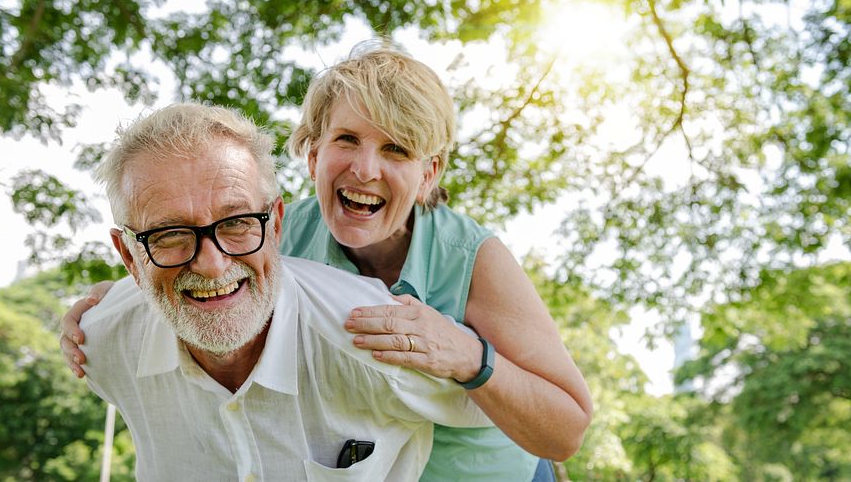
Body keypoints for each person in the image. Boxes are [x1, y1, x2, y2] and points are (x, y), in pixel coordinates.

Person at [62, 43, 593, 481]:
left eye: (397, 149)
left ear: (428, 173)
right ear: (313, 154)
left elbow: (566, 430)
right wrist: (120, 295)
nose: (365, 169)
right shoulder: (276, 234)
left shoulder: (472, 258)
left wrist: (467, 355)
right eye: (347, 139)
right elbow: (207, 258)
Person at [80, 102, 492, 481]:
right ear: (130, 257)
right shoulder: (98, 343)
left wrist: (476, 363)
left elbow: (494, 412)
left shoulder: (374, 340)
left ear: (276, 226)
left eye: (237, 222)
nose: (212, 264)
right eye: (169, 235)